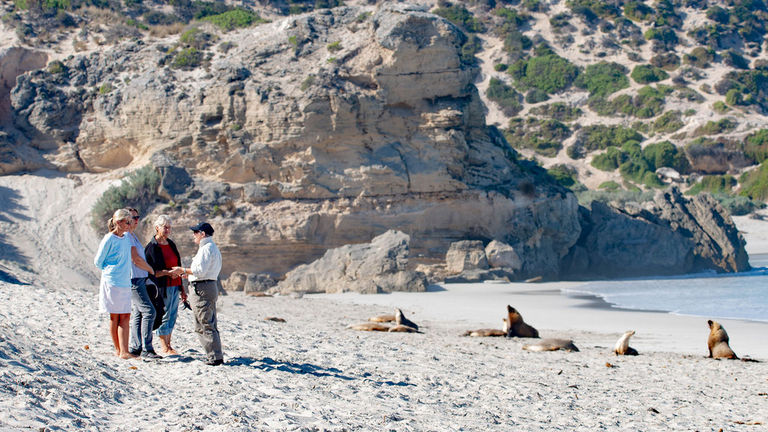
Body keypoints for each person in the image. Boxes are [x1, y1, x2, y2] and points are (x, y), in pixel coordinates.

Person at [174, 222, 223, 366]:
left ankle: (214, 357)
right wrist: (189, 275)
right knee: (208, 322)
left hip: (202, 289)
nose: (193, 235)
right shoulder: (211, 248)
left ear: (202, 234)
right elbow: (203, 271)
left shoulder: (206, 249)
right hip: (208, 286)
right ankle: (214, 355)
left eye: (195, 232)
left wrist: (182, 270)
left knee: (204, 323)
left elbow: (200, 271)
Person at [93, 209, 135, 359]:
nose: (130, 225)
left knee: (125, 315)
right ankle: (119, 350)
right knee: (115, 316)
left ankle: (124, 350)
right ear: (118, 222)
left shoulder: (127, 238)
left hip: (125, 281)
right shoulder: (109, 239)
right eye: (127, 222)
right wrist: (112, 268)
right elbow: (98, 261)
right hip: (112, 281)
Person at [144, 214, 186, 355]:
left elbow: (178, 266)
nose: (168, 230)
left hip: (175, 285)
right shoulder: (152, 247)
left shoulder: (171, 244)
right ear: (157, 228)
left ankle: (169, 344)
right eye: (165, 227)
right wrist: (168, 273)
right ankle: (164, 346)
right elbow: (151, 272)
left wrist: (182, 288)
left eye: (169, 227)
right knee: (164, 315)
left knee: (172, 315)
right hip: (161, 287)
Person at [125, 208, 162, 359]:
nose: (136, 220)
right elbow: (136, 259)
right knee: (149, 311)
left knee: (139, 313)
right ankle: (147, 348)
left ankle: (136, 346)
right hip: (135, 279)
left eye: (137, 217)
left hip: (139, 278)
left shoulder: (132, 236)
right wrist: (150, 270)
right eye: (133, 217)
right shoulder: (127, 236)